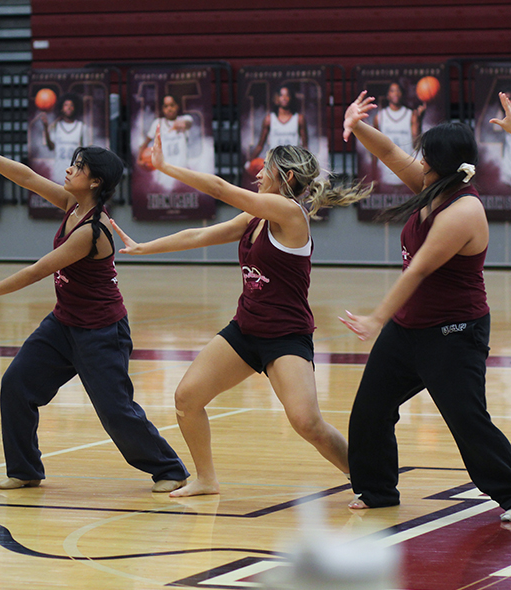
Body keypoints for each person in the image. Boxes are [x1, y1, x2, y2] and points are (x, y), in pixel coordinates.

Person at [111, 126, 370, 497]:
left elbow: (219, 188)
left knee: (306, 422)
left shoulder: (289, 213)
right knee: (187, 398)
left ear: (287, 177)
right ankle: (206, 479)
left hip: (286, 336)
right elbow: (198, 236)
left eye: (265, 168)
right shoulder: (255, 219)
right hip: (245, 330)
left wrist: (166, 167)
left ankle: (367, 477)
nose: (258, 174)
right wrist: (144, 247)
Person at [0, 121, 189, 492]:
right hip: (63, 325)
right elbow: (26, 177)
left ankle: (170, 469)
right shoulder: (71, 204)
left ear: (95, 182)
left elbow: (38, 270)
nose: (69, 169)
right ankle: (25, 470)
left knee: (116, 412)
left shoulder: (93, 229)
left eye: (78, 166)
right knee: (16, 385)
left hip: (101, 332)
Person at [341, 91, 511, 521]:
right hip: (409, 329)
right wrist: (356, 125)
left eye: (425, 154)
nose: (417, 159)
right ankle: (378, 490)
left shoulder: (464, 211)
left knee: (468, 422)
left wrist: (377, 317)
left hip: (453, 334)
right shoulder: (433, 184)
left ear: (440, 162)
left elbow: (416, 272)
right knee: (370, 411)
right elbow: (389, 150)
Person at [372, 82, 424, 187]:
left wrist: (419, 120)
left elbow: (416, 143)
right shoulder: (380, 117)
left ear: (402, 94)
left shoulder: (411, 114)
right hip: (385, 171)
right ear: (387, 95)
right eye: (392, 90)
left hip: (407, 169)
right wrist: (374, 170)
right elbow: (374, 145)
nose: (395, 93)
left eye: (398, 90)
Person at [248, 85, 309, 162]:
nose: (284, 98)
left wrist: (308, 163)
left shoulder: (299, 119)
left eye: (287, 95)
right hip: (275, 163)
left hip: (293, 162)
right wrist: (249, 162)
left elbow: (305, 146)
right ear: (276, 98)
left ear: (291, 98)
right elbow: (260, 145)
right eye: (281, 95)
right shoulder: (269, 119)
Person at [137, 95, 193, 170]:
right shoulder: (158, 123)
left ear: (177, 106)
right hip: (164, 169)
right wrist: (139, 158)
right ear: (162, 109)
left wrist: (178, 125)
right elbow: (146, 142)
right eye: (166, 106)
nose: (169, 108)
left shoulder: (184, 119)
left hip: (182, 167)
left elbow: (187, 123)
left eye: (172, 105)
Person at [41, 93, 86, 185]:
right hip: (59, 171)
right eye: (66, 105)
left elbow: (85, 151)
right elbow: (50, 147)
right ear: (61, 108)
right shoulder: (56, 126)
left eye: (71, 105)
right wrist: (46, 128)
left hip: (74, 171)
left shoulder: (81, 127)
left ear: (75, 108)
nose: (69, 107)